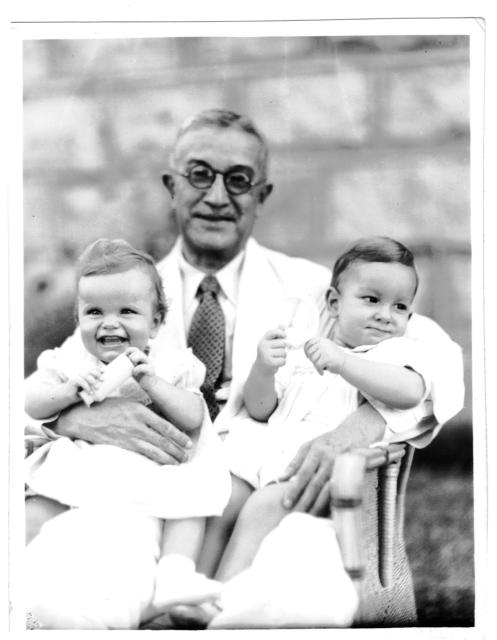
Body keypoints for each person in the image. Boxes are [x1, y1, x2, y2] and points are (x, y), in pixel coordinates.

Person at [25, 109, 464, 629]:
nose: (216, 196)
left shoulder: (311, 289)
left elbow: (432, 355)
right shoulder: (122, 296)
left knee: (295, 597)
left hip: (265, 486)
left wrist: (359, 426)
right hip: (138, 503)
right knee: (62, 596)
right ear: (172, 186)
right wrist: (72, 418)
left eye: (238, 180)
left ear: (262, 195)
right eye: (199, 174)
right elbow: (44, 388)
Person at [201, 237, 432, 618]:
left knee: (263, 507)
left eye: (400, 306)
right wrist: (264, 367)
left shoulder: (394, 355)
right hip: (262, 455)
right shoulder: (305, 348)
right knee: (222, 496)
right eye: (371, 300)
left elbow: (410, 393)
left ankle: (221, 603)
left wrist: (345, 363)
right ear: (334, 303)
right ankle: (194, 589)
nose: (385, 314)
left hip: (315, 471)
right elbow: (261, 410)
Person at [24, 239, 231, 629]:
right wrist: (67, 393)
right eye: (94, 311)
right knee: (52, 539)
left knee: (193, 489)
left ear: (154, 322)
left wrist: (151, 381)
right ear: (78, 316)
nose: (110, 322)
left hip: (153, 469)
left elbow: (193, 415)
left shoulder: (168, 363)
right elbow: (31, 402)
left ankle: (176, 572)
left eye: (127, 312)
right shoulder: (71, 359)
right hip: (86, 472)